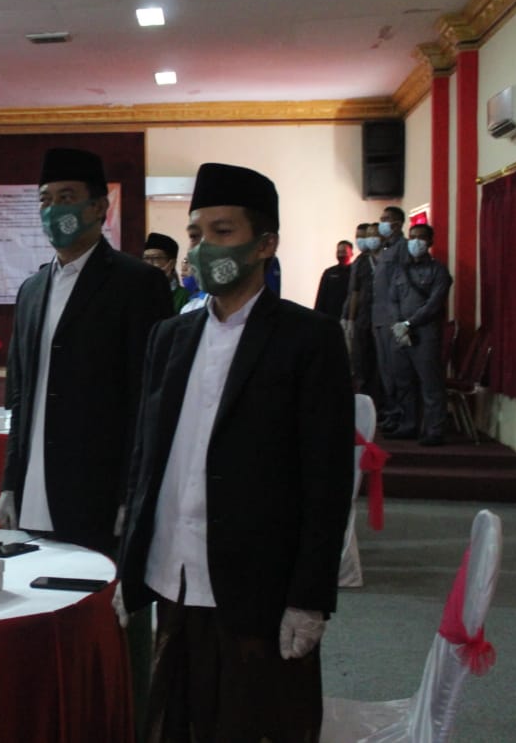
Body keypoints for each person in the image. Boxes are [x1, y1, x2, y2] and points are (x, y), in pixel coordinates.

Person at [116, 162, 353, 742]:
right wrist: (130, 559)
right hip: (173, 571)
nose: (204, 248)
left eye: (223, 232)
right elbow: (147, 455)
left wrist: (310, 598)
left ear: (265, 244)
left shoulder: (308, 338)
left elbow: (326, 481)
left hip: (258, 586)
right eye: (196, 235)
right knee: (174, 723)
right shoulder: (170, 335)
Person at [0, 148, 171, 731]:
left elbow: (147, 399)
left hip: (102, 486)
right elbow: (21, 396)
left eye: (67, 198)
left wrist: (132, 492)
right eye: (45, 200)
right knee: (42, 609)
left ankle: (123, 722)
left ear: (100, 207)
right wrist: (10, 479)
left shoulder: (137, 284)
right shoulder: (32, 289)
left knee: (109, 620)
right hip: (36, 481)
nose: (54, 211)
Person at [387, 223, 452, 445]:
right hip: (400, 333)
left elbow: (434, 304)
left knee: (430, 383)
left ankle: (434, 430)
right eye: (412, 236)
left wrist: (409, 323)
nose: (415, 241)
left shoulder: (438, 271)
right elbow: (392, 299)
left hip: (425, 333)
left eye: (421, 237)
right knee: (404, 381)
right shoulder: (400, 270)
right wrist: (398, 323)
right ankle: (409, 425)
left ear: (430, 242)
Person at [372, 206, 408, 432]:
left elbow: (402, 283)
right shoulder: (386, 248)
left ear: (397, 223)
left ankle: (404, 417)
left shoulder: (403, 247)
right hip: (379, 316)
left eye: (386, 219)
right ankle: (393, 412)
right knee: (385, 370)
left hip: (393, 317)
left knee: (398, 371)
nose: (382, 223)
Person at [347, 223, 382, 403]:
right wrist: (350, 319)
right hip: (363, 318)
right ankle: (364, 401)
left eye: (371, 234)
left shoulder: (387, 259)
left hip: (382, 318)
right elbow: (354, 291)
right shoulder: (360, 262)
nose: (367, 239)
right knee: (360, 362)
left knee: (381, 364)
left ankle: (381, 403)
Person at [143, 232, 190, 314]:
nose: (149, 263)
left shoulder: (184, 296)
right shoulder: (138, 293)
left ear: (172, 263)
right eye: (146, 258)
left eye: (156, 258)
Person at [314, 239, 353, 320]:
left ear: (351, 253)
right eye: (338, 252)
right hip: (329, 317)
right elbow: (321, 297)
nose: (341, 254)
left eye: (343, 252)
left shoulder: (355, 272)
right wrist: (316, 317)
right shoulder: (329, 272)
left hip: (348, 317)